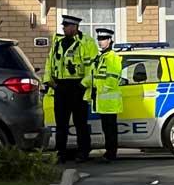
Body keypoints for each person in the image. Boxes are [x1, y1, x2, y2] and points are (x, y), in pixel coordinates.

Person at [43, 15, 99, 163]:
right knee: (61, 123)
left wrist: (83, 85)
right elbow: (49, 62)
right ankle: (60, 153)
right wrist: (49, 81)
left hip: (78, 86)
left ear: (74, 27)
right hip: (60, 86)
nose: (64, 28)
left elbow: (93, 66)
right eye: (63, 26)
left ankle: (83, 152)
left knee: (80, 123)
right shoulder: (58, 42)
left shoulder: (87, 42)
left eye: (66, 26)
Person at [84, 28, 123, 162]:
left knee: (110, 129)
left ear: (110, 40)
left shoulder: (112, 57)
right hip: (102, 101)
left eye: (104, 39)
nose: (100, 42)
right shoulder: (101, 58)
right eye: (99, 39)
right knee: (106, 128)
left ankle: (111, 153)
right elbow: (94, 76)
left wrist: (100, 89)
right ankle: (109, 152)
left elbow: (112, 78)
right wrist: (83, 84)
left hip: (109, 101)